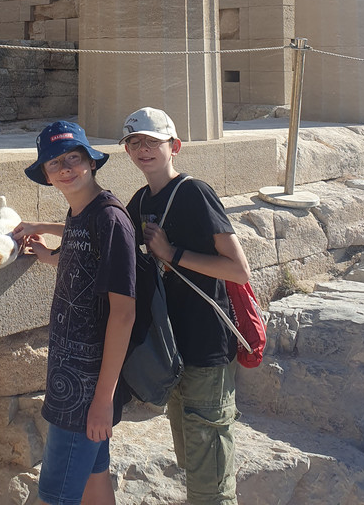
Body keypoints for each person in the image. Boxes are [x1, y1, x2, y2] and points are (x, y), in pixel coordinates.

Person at [121, 107, 250, 505]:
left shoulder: (195, 193)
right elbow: (111, 240)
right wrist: (43, 238)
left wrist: (172, 253)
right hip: (173, 352)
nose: (143, 149)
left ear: (174, 146)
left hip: (207, 348)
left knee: (211, 482)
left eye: (153, 141)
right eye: (134, 142)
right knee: (194, 463)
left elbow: (238, 269)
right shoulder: (141, 201)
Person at [12, 121, 136, 505]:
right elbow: (83, 256)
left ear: (91, 162)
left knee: (56, 495)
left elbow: (123, 314)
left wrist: (103, 400)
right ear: (47, 176)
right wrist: (48, 252)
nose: (65, 168)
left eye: (73, 158)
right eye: (54, 163)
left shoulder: (110, 220)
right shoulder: (80, 212)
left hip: (85, 391)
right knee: (96, 479)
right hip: (71, 379)